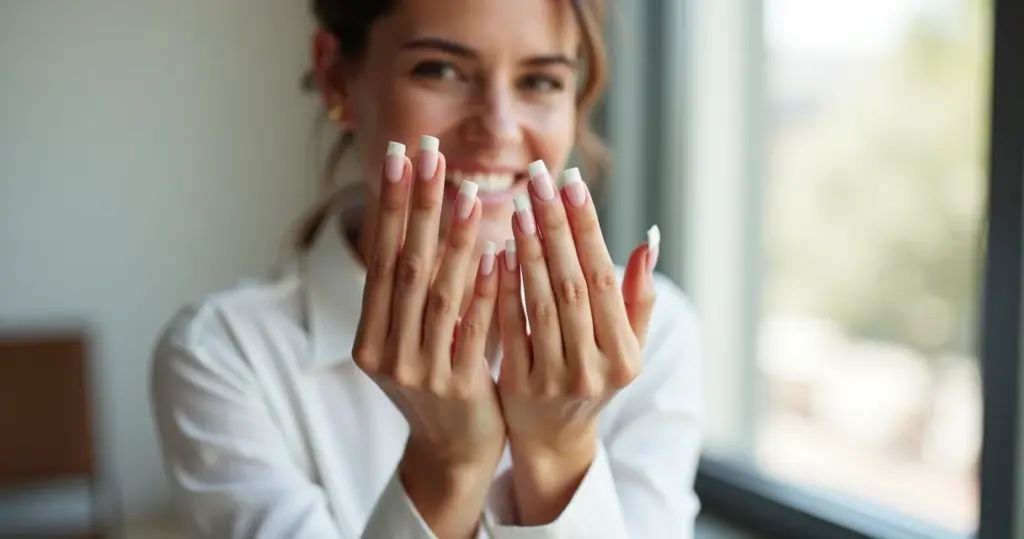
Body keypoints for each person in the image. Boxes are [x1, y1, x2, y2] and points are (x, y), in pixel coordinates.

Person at [149, 0, 703, 537]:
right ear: (337, 77)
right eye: (439, 70)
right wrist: (446, 464)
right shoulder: (224, 353)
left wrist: (562, 453)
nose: (498, 128)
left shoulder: (652, 333)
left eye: (540, 81)